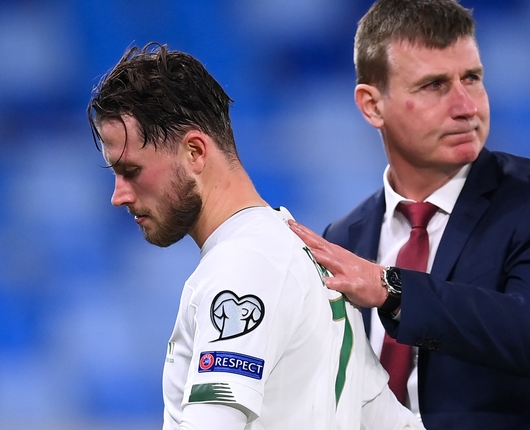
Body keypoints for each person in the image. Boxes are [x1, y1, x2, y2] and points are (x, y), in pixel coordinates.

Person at [288, 0, 530, 429]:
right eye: (435, 85)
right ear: (372, 105)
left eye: (471, 78)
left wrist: (391, 289)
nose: (466, 106)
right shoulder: (345, 239)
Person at [86, 43, 425, 430]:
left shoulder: (242, 265)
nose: (119, 195)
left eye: (130, 170)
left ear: (195, 152)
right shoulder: (306, 256)